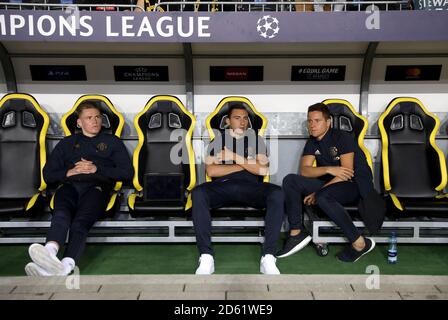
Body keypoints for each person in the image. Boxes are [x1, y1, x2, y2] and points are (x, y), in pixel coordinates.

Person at [25, 103, 133, 276]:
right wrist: (69, 172)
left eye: (98, 117)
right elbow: (48, 175)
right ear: (79, 123)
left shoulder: (112, 142)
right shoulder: (67, 143)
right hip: (68, 186)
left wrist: (97, 169)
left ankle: (65, 264)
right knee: (61, 215)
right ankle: (50, 253)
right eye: (89, 118)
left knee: (80, 223)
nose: (95, 121)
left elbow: (127, 173)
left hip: (97, 188)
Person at [192, 104, 284, 275]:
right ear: (227, 121)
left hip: (251, 188)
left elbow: (263, 170)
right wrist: (246, 164)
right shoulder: (217, 141)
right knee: (198, 193)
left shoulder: (257, 140)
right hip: (222, 187)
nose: (242, 122)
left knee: (277, 193)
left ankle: (269, 257)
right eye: (237, 118)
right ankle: (206, 256)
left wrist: (233, 157)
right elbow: (212, 171)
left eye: (245, 118)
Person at [277, 102, 376, 262]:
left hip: (354, 184)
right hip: (331, 182)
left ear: (328, 122)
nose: (312, 125)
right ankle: (296, 233)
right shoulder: (312, 142)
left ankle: (359, 243)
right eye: (309, 121)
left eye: (317, 121)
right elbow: (305, 170)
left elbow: (346, 173)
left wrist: (317, 193)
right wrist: (328, 169)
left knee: (323, 197)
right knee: (291, 180)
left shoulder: (342, 137)